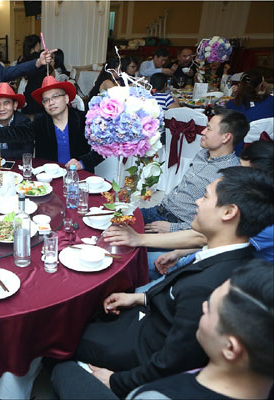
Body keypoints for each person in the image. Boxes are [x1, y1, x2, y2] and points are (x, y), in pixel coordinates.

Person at [67, 166, 273, 398]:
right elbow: (179, 299)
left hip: (138, 347)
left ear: (228, 212)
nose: (197, 202)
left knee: (64, 339)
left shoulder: (208, 285)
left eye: (205, 196)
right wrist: (142, 297)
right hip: (146, 318)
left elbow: (172, 363)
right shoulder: (233, 255)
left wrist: (115, 381)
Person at [51, 259, 274, 400]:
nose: (203, 307)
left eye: (209, 309)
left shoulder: (158, 395)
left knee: (61, 366)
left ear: (230, 348)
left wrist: (115, 380)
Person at [104, 141, 274, 278]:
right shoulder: (251, 198)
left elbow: (202, 237)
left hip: (220, 272)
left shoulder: (262, 217)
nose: (235, 173)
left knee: (124, 264)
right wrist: (178, 252)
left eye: (243, 169)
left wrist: (139, 239)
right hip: (200, 253)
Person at [142, 108, 248, 233]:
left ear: (226, 137)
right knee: (121, 218)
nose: (202, 132)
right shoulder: (202, 154)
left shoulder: (230, 174)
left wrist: (172, 228)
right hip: (159, 210)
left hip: (178, 227)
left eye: (208, 129)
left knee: (125, 238)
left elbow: (215, 224)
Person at [19, 34, 46, 116]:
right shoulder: (40, 59)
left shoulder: (23, 59)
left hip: (29, 90)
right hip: (40, 90)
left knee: (29, 116)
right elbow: (51, 73)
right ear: (37, 44)